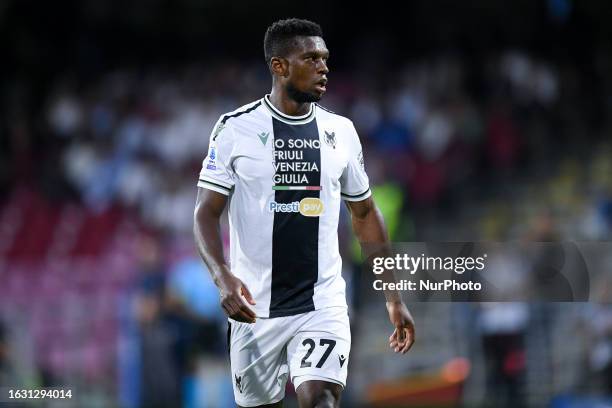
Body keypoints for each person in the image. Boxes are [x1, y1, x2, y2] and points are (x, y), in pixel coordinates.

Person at [193, 18, 415, 407]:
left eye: (325, 58)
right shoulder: (233, 130)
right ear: (279, 66)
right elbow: (205, 214)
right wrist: (222, 275)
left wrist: (393, 297)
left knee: (321, 397)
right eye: (311, 58)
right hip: (254, 309)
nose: (323, 67)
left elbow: (364, 213)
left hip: (322, 303)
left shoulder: (341, 132)